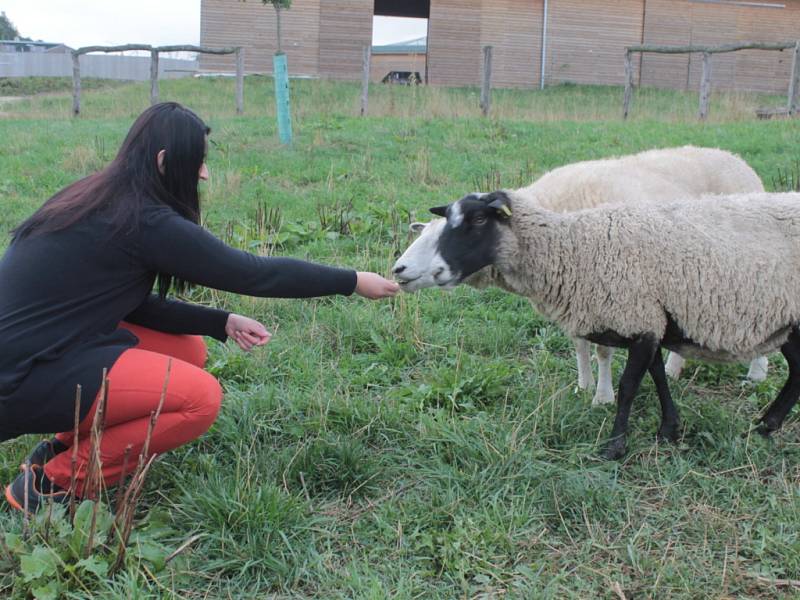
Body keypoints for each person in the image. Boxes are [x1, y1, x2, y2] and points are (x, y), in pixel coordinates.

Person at [0, 102, 399, 513]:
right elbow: (253, 274)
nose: (204, 174)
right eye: (199, 162)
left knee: (188, 351)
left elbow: (128, 304)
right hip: (22, 378)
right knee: (199, 399)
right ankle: (51, 485)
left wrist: (219, 321)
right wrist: (351, 281)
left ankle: (64, 444)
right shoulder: (146, 221)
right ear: (163, 161)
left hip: (41, 353)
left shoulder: (97, 195)